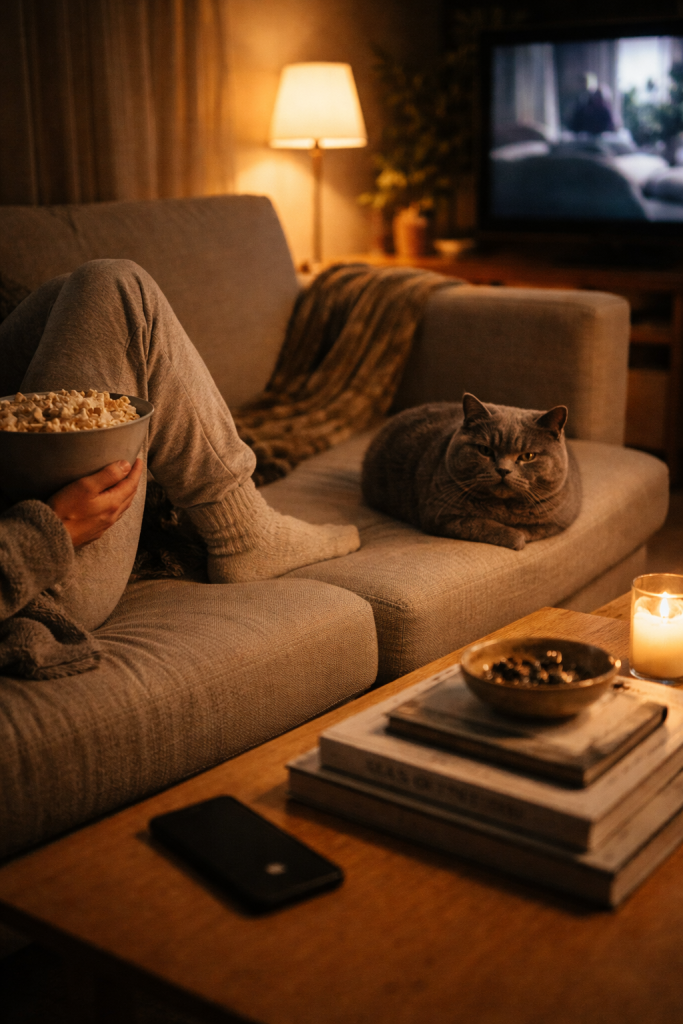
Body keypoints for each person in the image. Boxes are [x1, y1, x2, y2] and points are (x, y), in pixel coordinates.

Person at [0, 259, 360, 643]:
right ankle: (243, 534)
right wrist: (44, 534)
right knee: (116, 289)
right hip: (32, 573)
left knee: (68, 295)